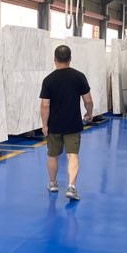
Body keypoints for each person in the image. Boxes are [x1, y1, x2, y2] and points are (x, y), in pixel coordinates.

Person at [40, 44, 93, 201]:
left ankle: (53, 183)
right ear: (70, 59)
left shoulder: (48, 80)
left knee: (53, 155)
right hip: (73, 124)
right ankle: (71, 187)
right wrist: (89, 113)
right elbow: (88, 100)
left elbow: (45, 105)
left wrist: (44, 125)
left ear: (55, 59)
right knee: (73, 155)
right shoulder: (79, 77)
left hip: (54, 125)